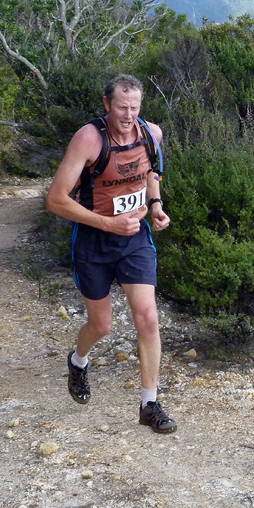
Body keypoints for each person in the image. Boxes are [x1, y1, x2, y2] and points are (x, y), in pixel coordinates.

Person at [45, 74, 176, 433]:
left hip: (134, 238)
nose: (128, 114)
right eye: (122, 107)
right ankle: (78, 361)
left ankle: (149, 404)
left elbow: (151, 171)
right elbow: (56, 200)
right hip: (93, 241)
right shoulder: (89, 139)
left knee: (147, 317)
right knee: (101, 324)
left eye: (135, 107)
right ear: (107, 105)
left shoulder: (152, 134)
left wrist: (156, 204)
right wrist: (108, 224)